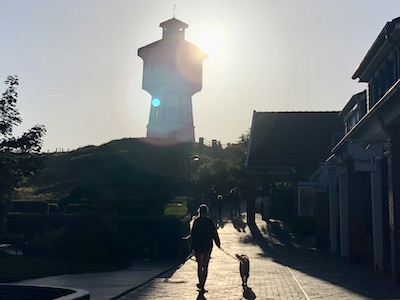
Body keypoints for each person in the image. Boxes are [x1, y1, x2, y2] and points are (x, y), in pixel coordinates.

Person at [191, 204, 221, 292]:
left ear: (199, 212)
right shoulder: (209, 221)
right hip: (207, 245)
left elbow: (193, 234)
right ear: (206, 212)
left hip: (198, 246)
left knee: (199, 265)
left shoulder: (196, 221)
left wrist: (192, 247)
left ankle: (200, 282)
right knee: (205, 265)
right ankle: (203, 284)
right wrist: (217, 243)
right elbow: (214, 233)